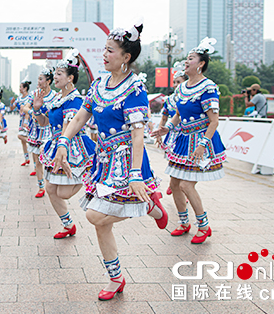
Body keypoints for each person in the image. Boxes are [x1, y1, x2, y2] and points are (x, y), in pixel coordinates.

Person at [54, 24, 168, 301]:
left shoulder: (135, 88)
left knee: (94, 215)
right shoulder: (98, 85)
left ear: (125, 57)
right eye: (103, 49)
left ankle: (150, 205)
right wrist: (63, 142)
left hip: (128, 160)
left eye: (110, 50)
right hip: (103, 160)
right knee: (100, 223)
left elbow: (138, 133)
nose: (103, 54)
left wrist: (136, 174)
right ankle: (115, 277)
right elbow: (81, 117)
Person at [151, 37, 227, 245]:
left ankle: (203, 225)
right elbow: (177, 115)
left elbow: (214, 121)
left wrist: (203, 144)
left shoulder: (208, 87)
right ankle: (184, 223)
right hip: (184, 141)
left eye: (191, 59)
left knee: (186, 184)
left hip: (201, 141)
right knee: (174, 183)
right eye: (186, 58)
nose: (186, 62)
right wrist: (167, 128)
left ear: (201, 64)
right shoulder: (182, 87)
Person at [36, 50, 95, 239]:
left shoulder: (75, 101)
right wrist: (37, 110)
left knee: (63, 192)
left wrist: (62, 151)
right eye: (55, 74)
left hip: (73, 147)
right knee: (51, 189)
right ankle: (68, 224)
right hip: (57, 145)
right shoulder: (57, 99)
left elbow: (68, 127)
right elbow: (45, 123)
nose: (55, 77)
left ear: (70, 78)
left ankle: (90, 175)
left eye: (60, 74)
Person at [23, 69, 58, 198]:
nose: (38, 82)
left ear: (48, 81)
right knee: (37, 160)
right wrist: (32, 111)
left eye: (41, 79)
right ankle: (41, 186)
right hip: (36, 130)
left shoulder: (55, 95)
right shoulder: (34, 94)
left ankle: (51, 183)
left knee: (50, 158)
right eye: (38, 79)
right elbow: (25, 107)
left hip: (50, 130)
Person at [155, 63, 187, 195]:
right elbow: (164, 118)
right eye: (174, 82)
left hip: (186, 135)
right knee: (174, 162)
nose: (175, 84)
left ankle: (181, 189)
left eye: (178, 82)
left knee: (185, 164)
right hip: (172, 134)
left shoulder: (189, 97)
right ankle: (174, 184)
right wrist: (159, 133)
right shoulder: (169, 100)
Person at [10, 81, 32, 166]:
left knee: (20, 136)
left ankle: (33, 143)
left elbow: (29, 109)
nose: (19, 89)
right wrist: (12, 102)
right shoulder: (19, 98)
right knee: (23, 141)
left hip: (28, 121)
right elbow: (12, 108)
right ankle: (26, 158)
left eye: (21, 87)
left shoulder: (29, 98)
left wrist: (26, 122)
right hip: (22, 121)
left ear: (25, 88)